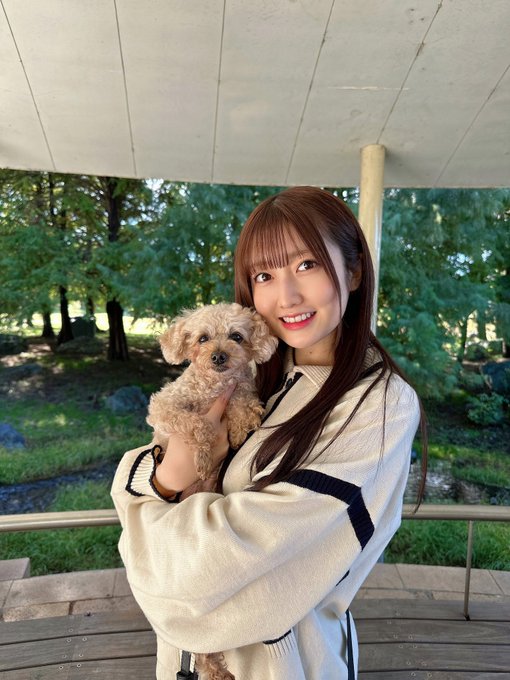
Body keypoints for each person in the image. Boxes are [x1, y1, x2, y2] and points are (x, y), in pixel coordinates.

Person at [111, 186, 427, 680]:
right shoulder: (252, 376)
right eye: (264, 275)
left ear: (353, 271)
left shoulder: (377, 407)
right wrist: (168, 477)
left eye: (307, 264)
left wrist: (146, 517)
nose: (287, 296)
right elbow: (132, 481)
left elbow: (186, 582)